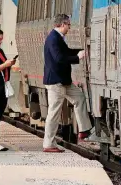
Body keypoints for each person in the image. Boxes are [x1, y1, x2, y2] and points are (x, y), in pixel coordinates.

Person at [42, 14, 95, 153]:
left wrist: (81, 51)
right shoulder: (53, 39)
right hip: (55, 81)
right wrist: (77, 57)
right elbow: (59, 58)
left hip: (64, 81)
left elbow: (66, 52)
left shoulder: (58, 38)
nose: (70, 27)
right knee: (54, 112)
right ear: (63, 24)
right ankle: (48, 144)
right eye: (69, 25)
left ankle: (84, 130)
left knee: (79, 98)